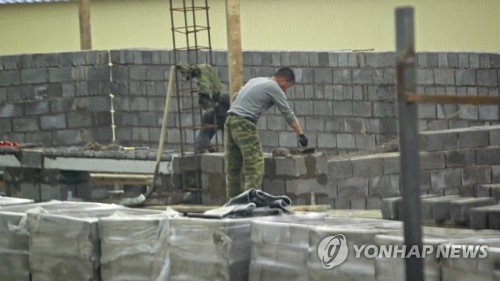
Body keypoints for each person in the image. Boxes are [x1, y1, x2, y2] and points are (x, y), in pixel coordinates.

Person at [224, 67, 308, 198]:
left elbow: (236, 97)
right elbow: (287, 113)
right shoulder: (274, 87)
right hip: (244, 124)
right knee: (255, 165)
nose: (286, 89)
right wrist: (301, 134)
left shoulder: (256, 80)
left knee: (233, 168)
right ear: (282, 80)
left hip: (230, 121)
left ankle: (232, 204)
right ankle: (249, 203)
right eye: (288, 85)